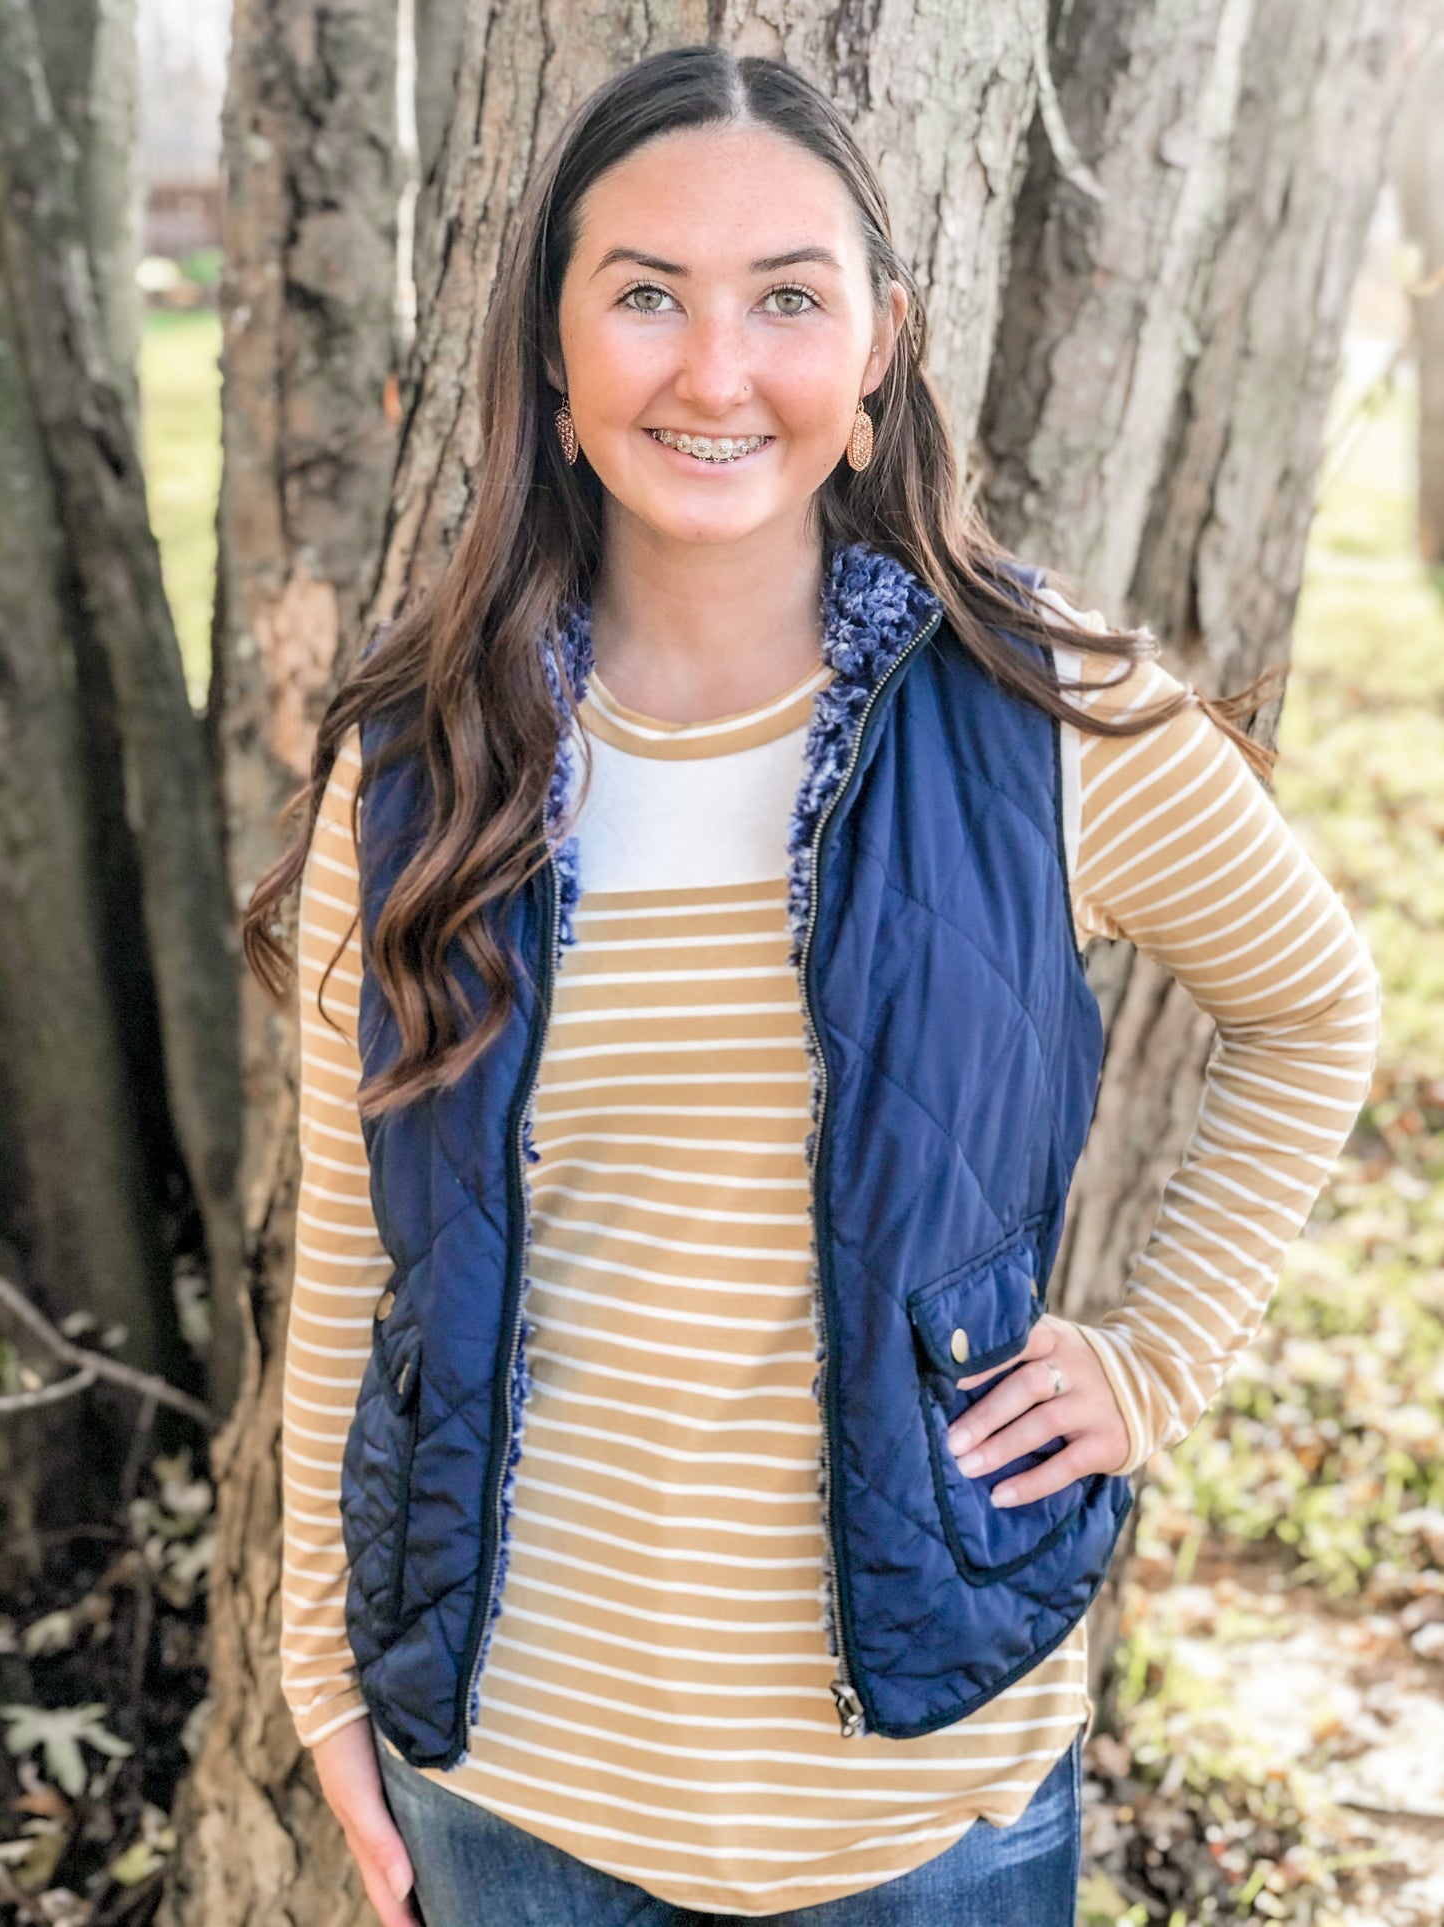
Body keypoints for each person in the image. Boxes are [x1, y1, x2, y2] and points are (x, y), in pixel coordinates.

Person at [243, 44, 1380, 1927]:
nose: (712, 371)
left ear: (874, 350)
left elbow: (1311, 1007)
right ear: (551, 348)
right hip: (519, 1779)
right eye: (644, 297)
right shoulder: (423, 761)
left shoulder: (1038, 713)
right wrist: (314, 1663)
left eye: (786, 298)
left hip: (923, 1792)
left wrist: (1150, 1357)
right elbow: (357, 1244)